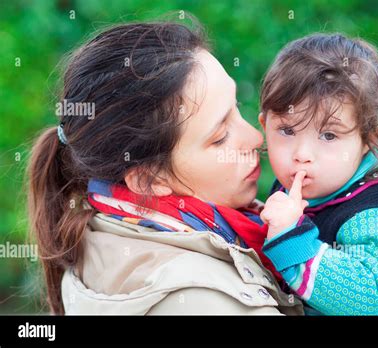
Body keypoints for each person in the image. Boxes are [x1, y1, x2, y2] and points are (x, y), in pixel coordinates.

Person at [27, 20, 303, 315]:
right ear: (148, 180)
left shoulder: (97, 235)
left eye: (235, 107)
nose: (256, 138)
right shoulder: (211, 304)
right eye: (220, 138)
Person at [258, 33, 378, 315]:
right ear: (264, 125)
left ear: (368, 139)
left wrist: (290, 241)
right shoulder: (294, 188)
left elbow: (366, 300)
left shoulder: (373, 214)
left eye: (329, 135)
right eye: (287, 130)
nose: (302, 153)